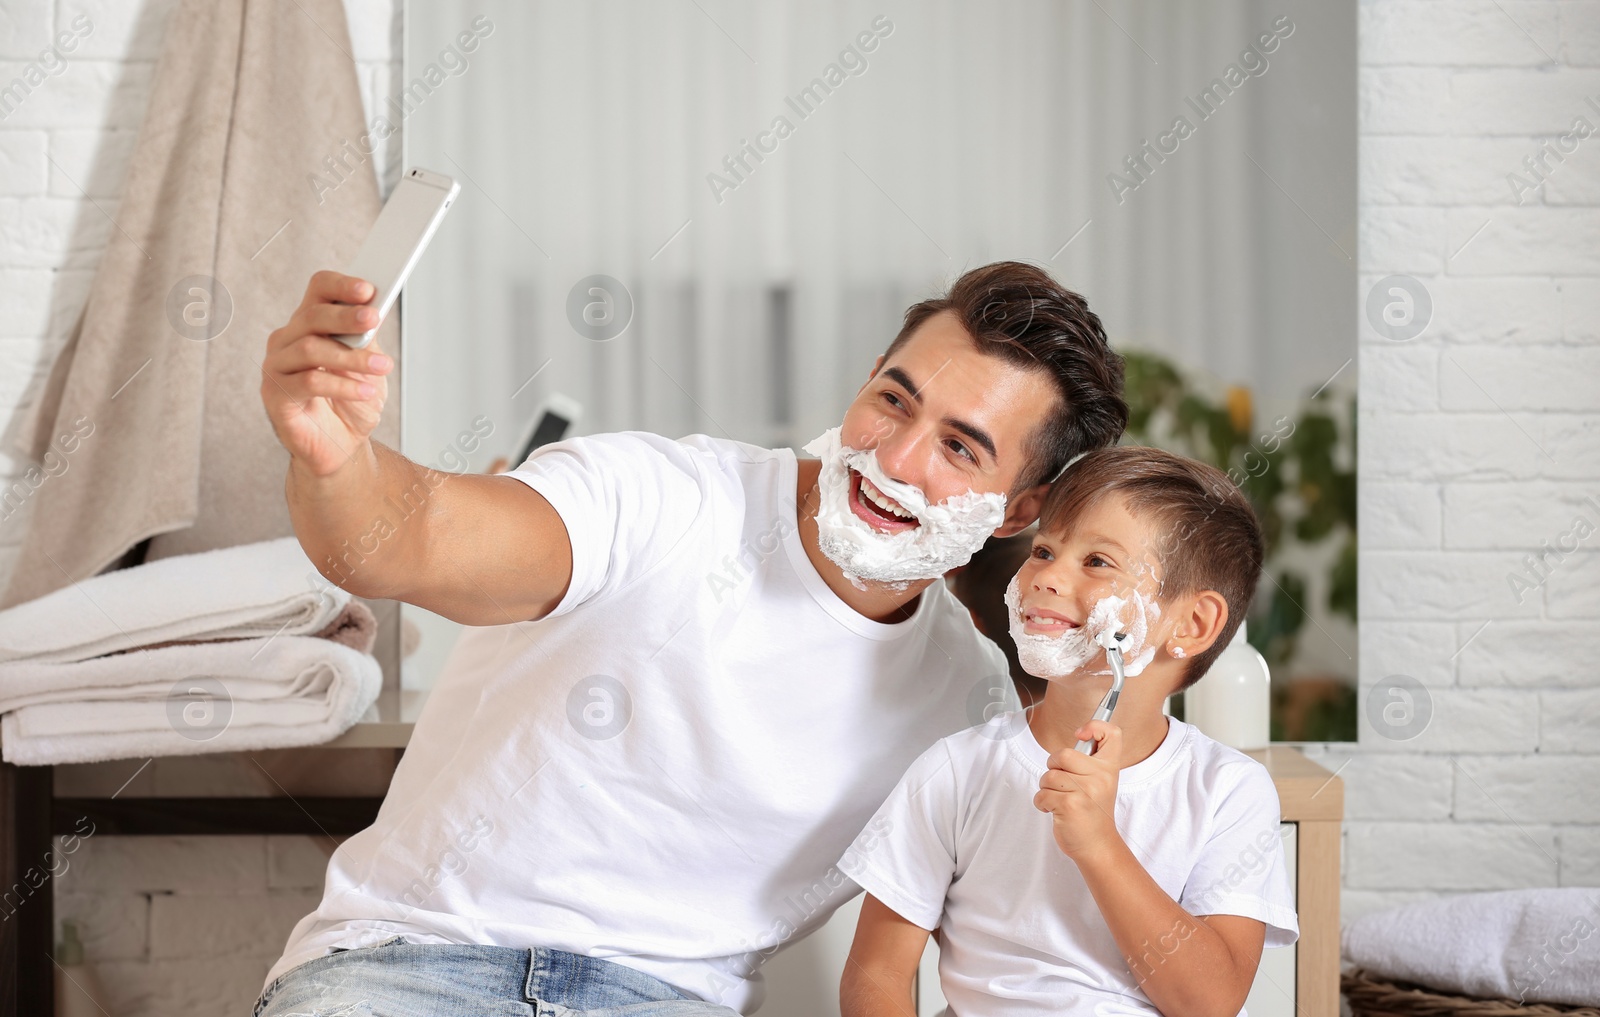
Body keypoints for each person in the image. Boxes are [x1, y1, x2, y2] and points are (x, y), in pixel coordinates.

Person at [252, 261, 1128, 1016]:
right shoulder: (663, 496)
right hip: (404, 967)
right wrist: (337, 461)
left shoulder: (961, 698)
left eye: (960, 449)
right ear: (866, 381)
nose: (896, 459)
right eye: (893, 401)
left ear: (1018, 509)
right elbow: (414, 537)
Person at [837, 446, 1299, 1017]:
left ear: (1192, 624)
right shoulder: (956, 771)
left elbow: (1210, 1002)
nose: (1047, 576)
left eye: (1097, 562)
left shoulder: (1228, 790)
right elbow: (875, 976)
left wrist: (1098, 846)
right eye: (1045, 550)